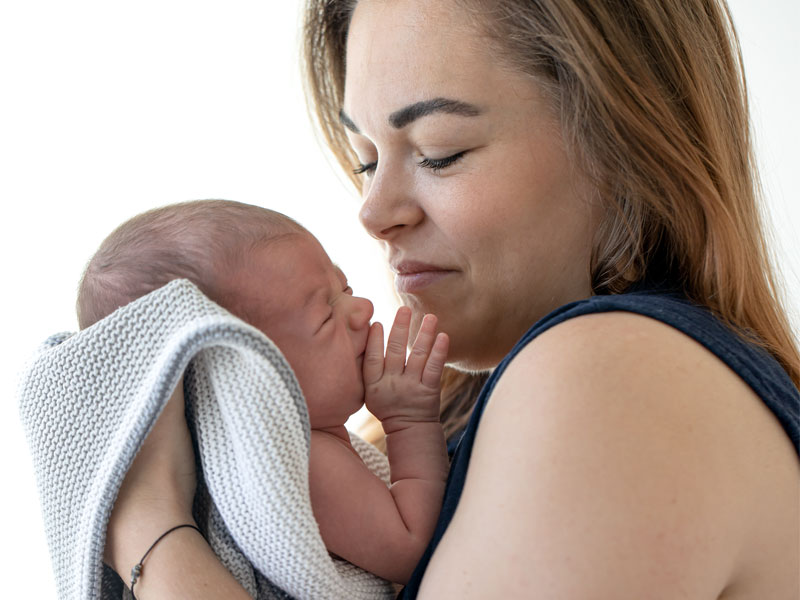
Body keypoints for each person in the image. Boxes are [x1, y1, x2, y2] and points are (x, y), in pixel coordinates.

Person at [102, 0, 800, 598]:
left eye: (439, 150)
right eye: (365, 160)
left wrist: (147, 526)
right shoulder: (447, 420)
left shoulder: (610, 377)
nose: (372, 212)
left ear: (623, 148)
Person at [80, 199, 450, 585]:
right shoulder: (299, 463)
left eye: (345, 287)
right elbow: (416, 551)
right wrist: (409, 422)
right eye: (325, 315)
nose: (362, 308)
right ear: (237, 380)